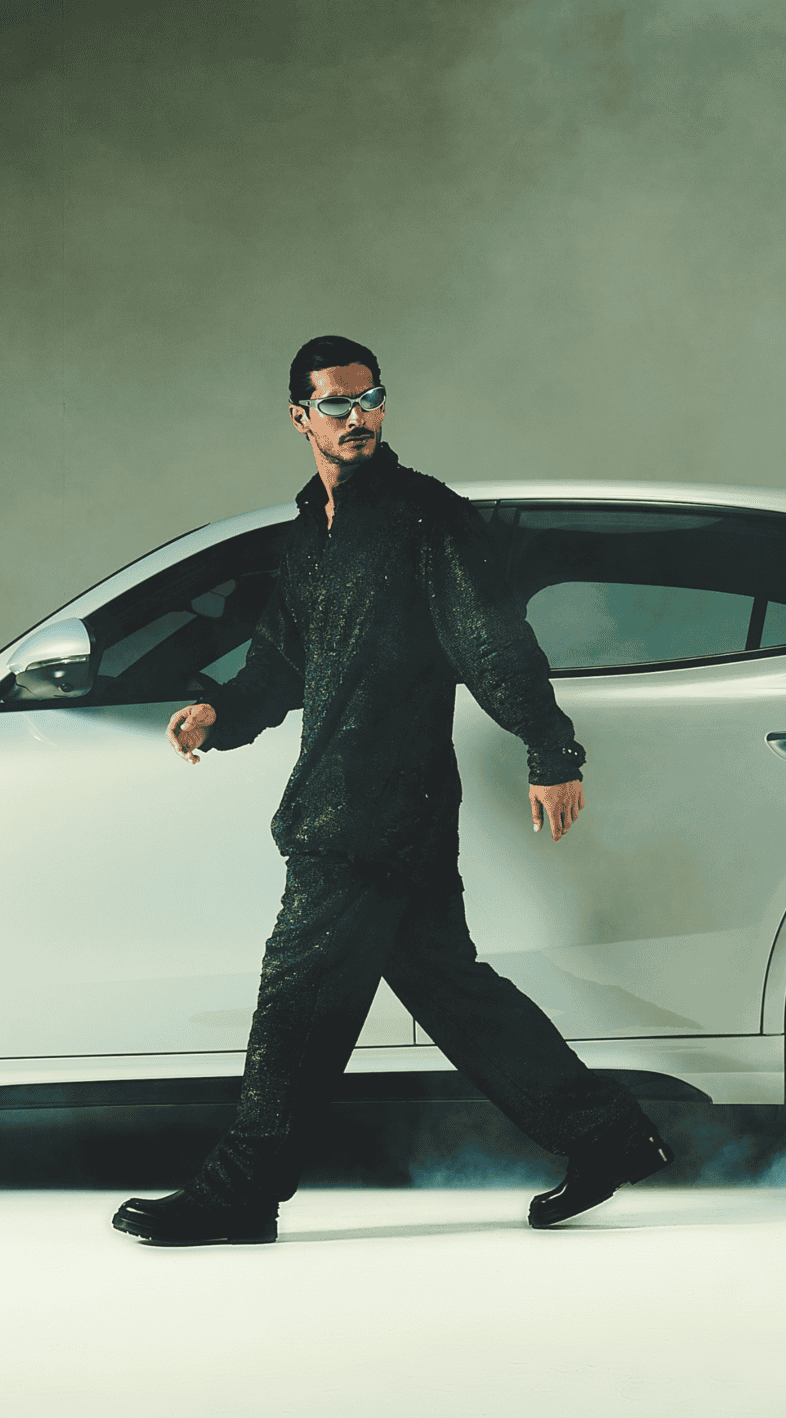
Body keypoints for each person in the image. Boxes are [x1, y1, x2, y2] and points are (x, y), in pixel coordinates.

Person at [113, 335, 673, 1246]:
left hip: (372, 810)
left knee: (295, 995)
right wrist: (219, 713)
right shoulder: (307, 537)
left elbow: (490, 639)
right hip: (362, 805)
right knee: (453, 990)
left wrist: (550, 749)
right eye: (336, 404)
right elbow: (278, 666)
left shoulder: (426, 517)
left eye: (369, 398)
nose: (357, 417)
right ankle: (605, 1136)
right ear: (300, 418)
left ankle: (242, 1191)